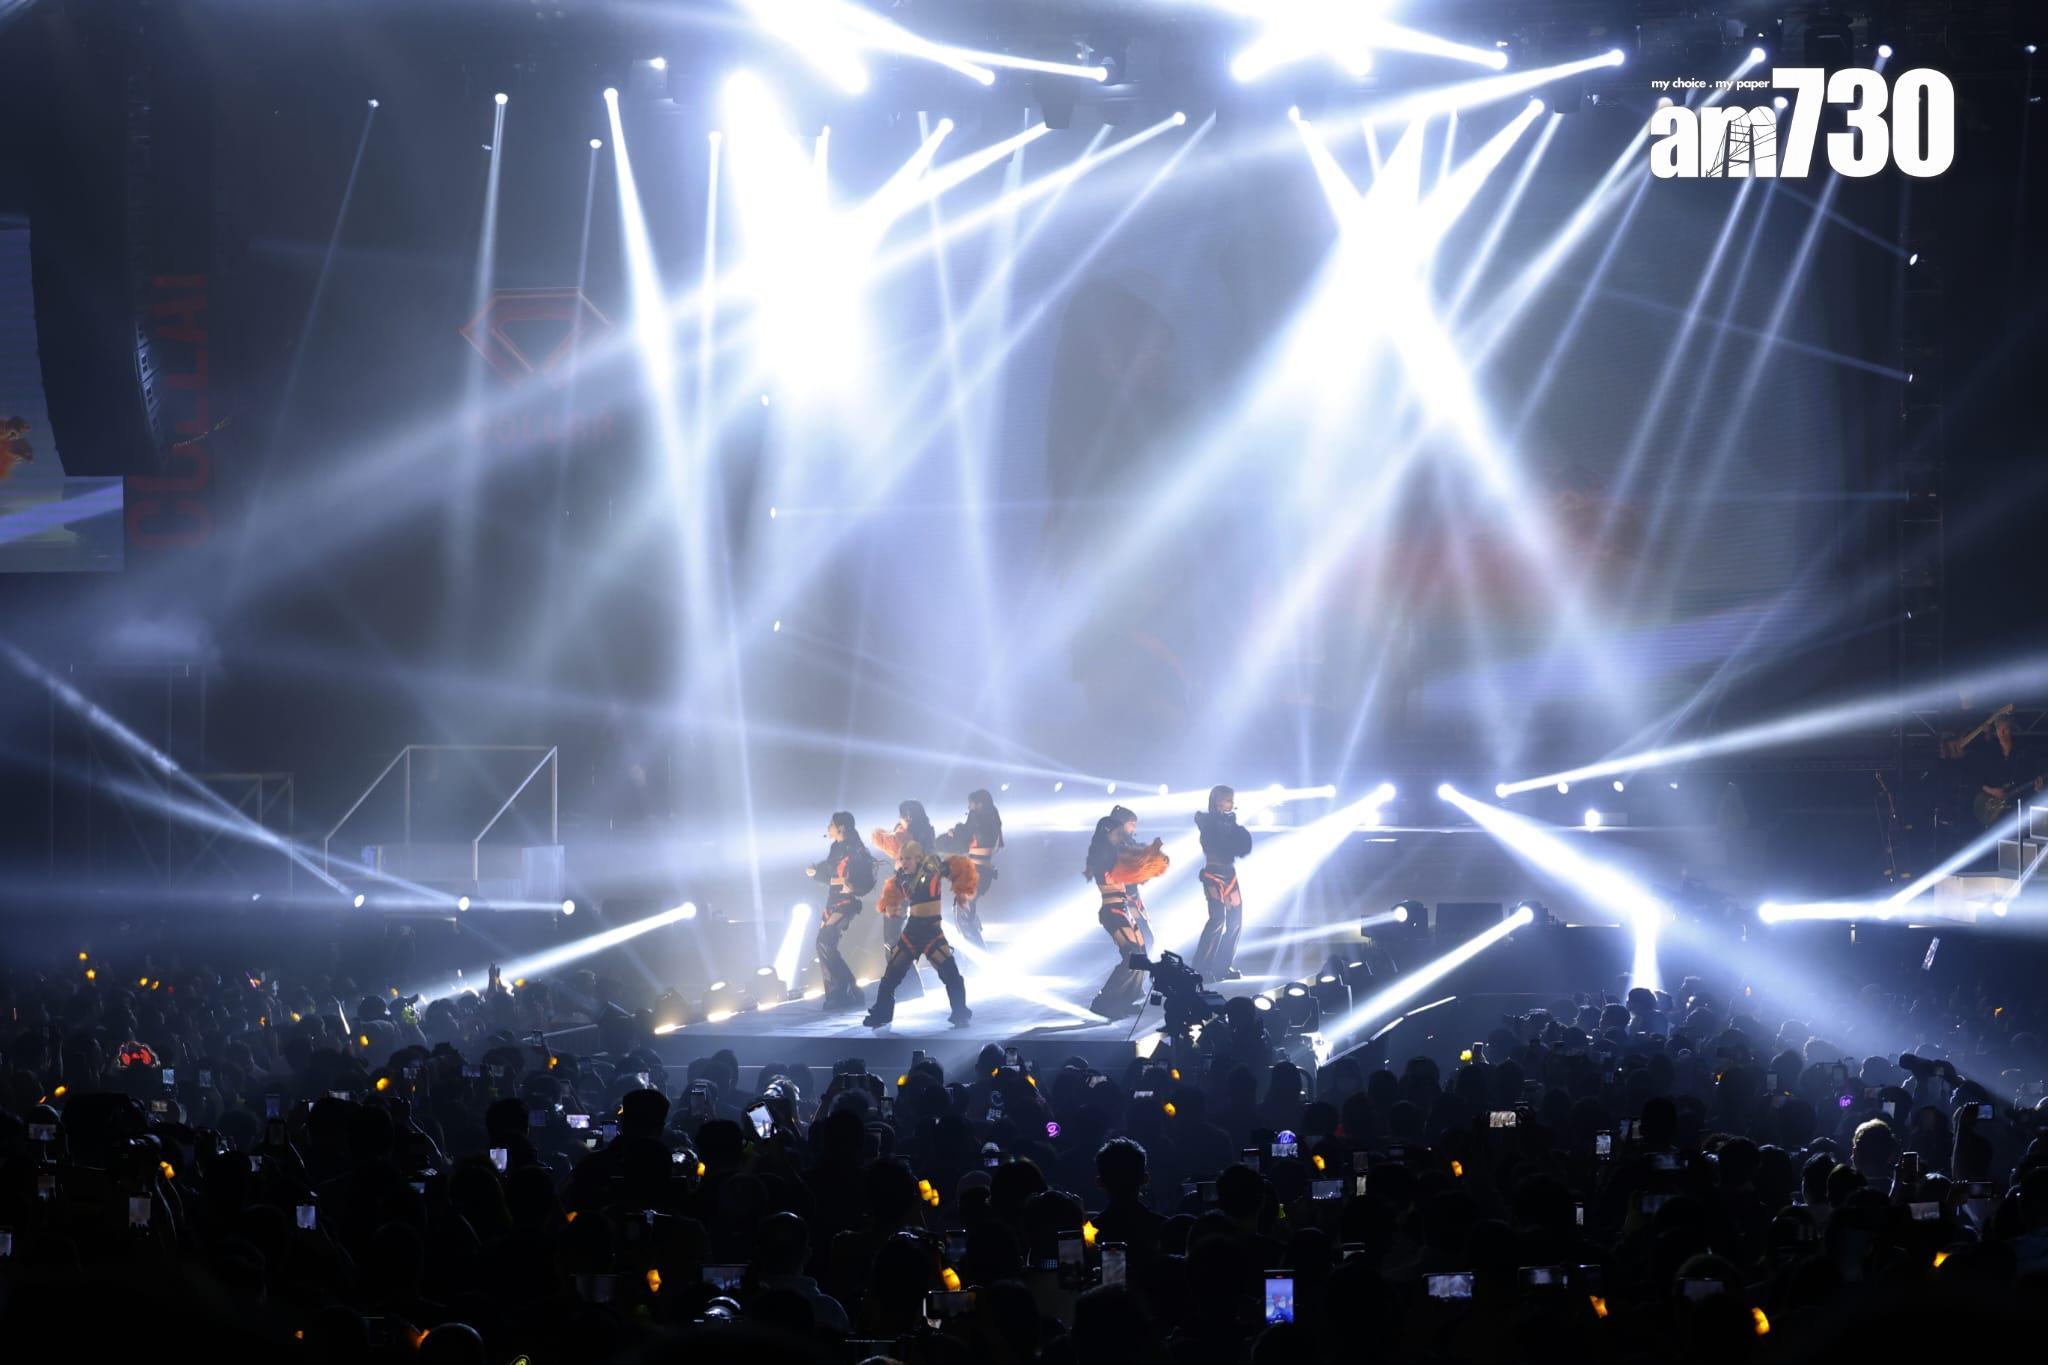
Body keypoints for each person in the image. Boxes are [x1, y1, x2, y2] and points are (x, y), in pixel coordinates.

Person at [864, 840, 976, 1030]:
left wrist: (963, 893)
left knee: (951, 975)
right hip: (912, 931)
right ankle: (882, 1014)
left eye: (908, 858)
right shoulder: (901, 877)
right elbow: (891, 896)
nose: (904, 862)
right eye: (902, 859)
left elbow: (959, 868)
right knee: (890, 976)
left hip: (932, 931)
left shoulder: (933, 869)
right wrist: (890, 906)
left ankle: (960, 1013)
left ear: (918, 858)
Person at [1085, 805, 1169, 1021]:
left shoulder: (1114, 851)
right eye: (1116, 833)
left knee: (1139, 954)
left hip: (1122, 908)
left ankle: (1125, 999)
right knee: (1132, 955)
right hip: (1113, 910)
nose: (1119, 836)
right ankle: (1104, 1001)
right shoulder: (1103, 854)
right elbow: (1126, 871)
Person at [806, 812, 876, 1011]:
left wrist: (854, 886)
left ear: (841, 827)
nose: (828, 827)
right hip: (833, 901)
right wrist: (816, 872)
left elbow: (866, 878)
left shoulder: (856, 849)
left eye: (831, 824)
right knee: (824, 945)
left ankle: (841, 992)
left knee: (824, 941)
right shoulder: (835, 848)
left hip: (846, 902)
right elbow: (830, 873)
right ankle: (846, 991)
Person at [870, 801, 938, 999]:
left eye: (901, 816)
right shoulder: (926, 833)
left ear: (907, 816)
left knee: (892, 938)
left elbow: (881, 840)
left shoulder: (905, 837)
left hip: (901, 888)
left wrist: (888, 832)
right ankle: (907, 986)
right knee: (897, 936)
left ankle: (907, 986)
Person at [1192, 785, 1252, 983]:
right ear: (1218, 801)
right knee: (1217, 919)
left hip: (1229, 875)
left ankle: (1222, 967)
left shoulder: (1230, 823)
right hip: (1213, 874)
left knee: (1235, 921)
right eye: (1228, 800)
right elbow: (1215, 843)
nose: (1231, 804)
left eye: (1232, 800)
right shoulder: (1207, 821)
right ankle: (1202, 968)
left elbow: (1240, 846)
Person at [938, 788, 1004, 949]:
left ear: (979, 804)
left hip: (976, 873)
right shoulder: (992, 820)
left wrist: (954, 833)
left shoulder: (977, 820)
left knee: (963, 915)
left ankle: (978, 956)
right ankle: (978, 952)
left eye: (971, 804)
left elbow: (962, 840)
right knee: (966, 913)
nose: (969, 808)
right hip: (982, 872)